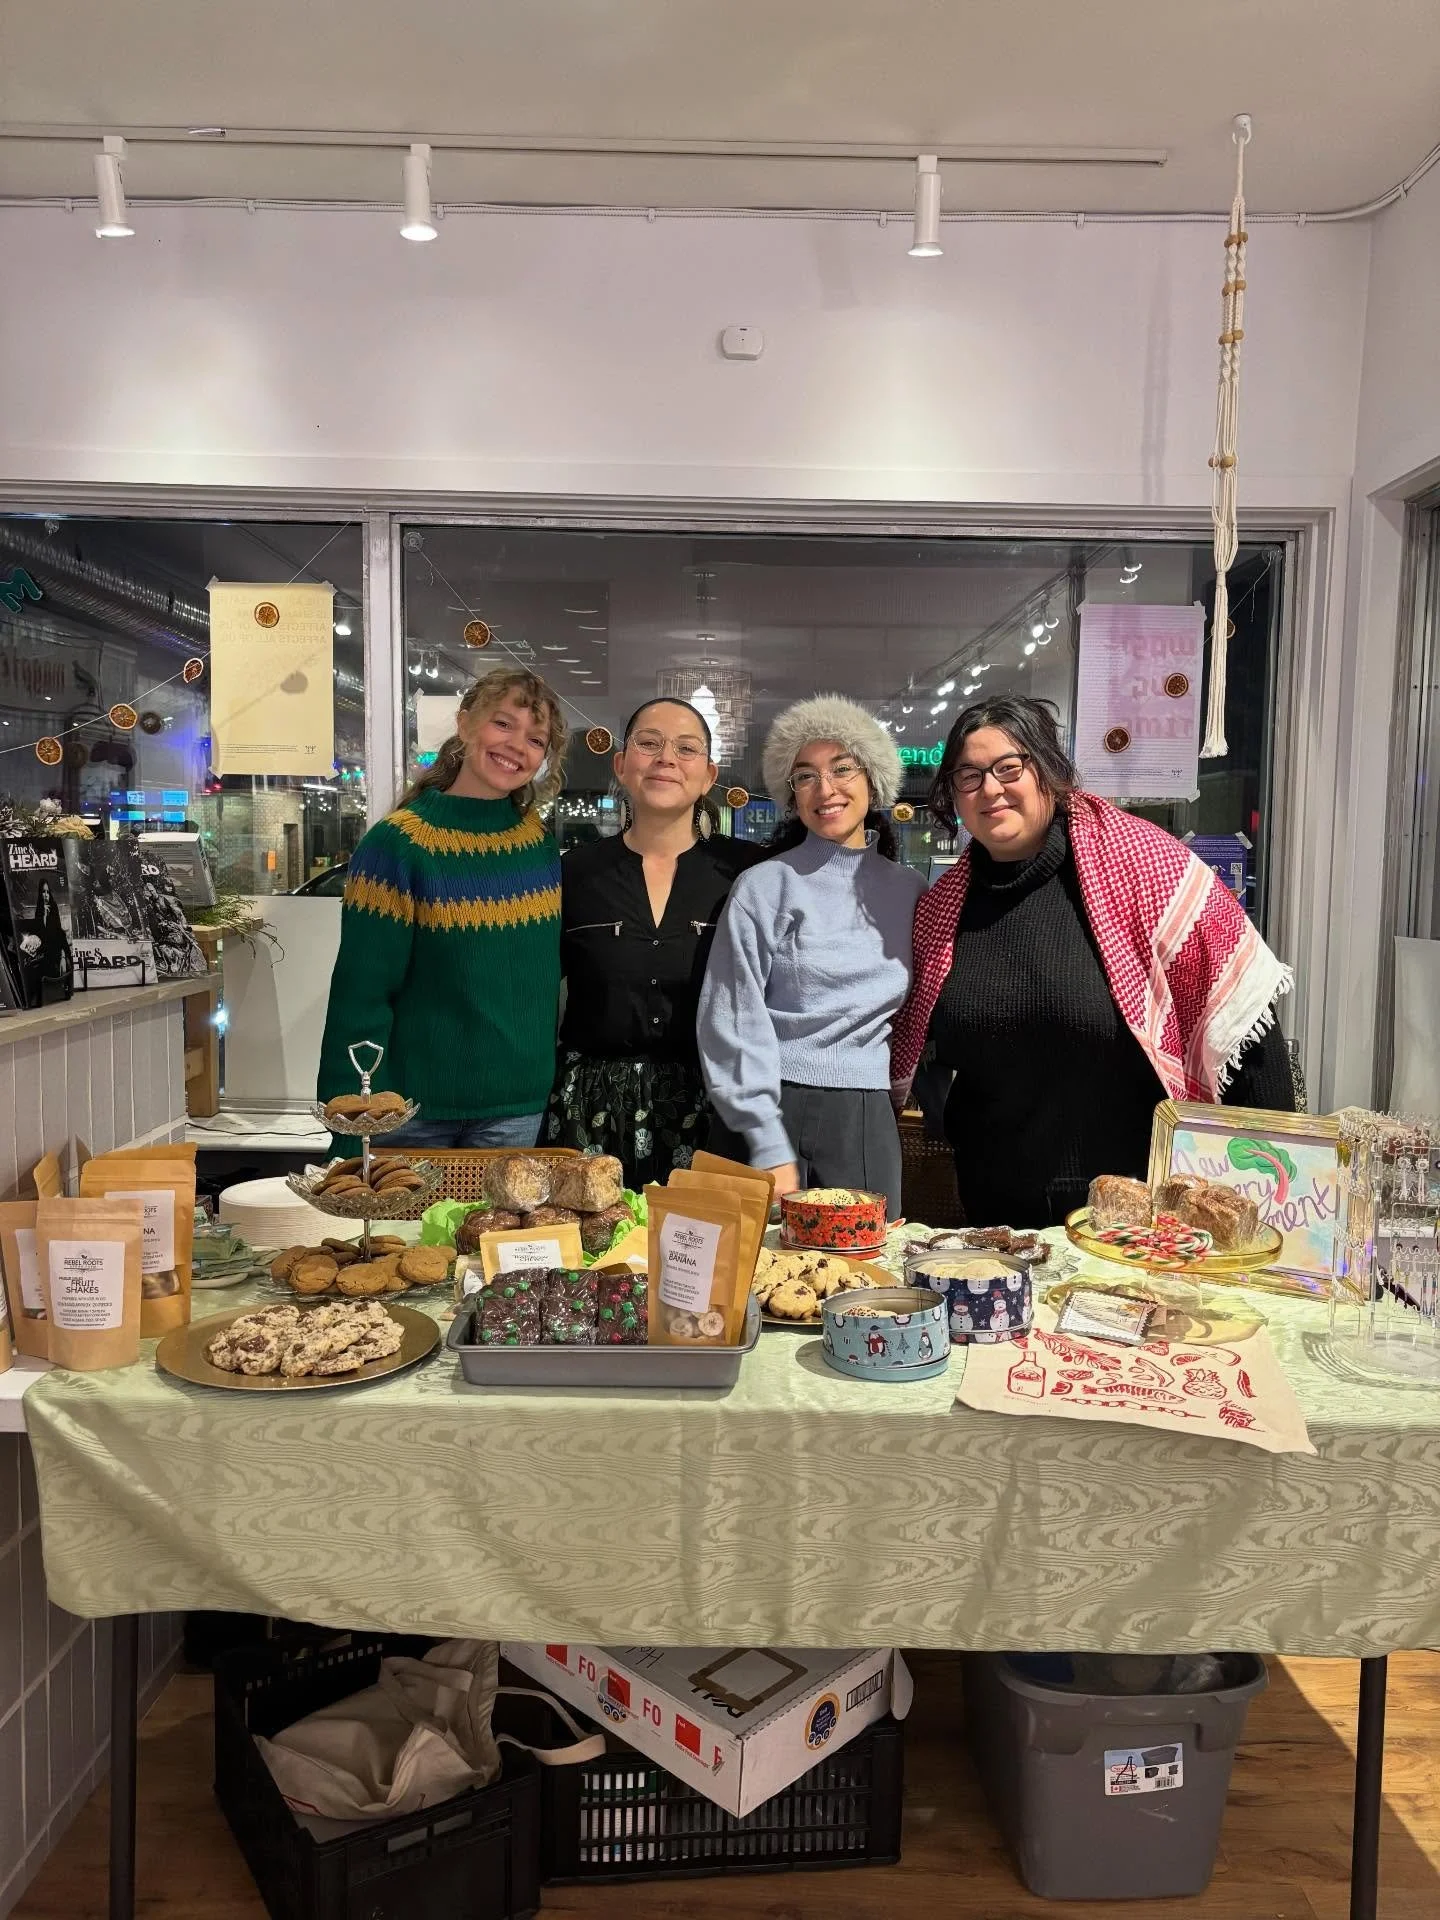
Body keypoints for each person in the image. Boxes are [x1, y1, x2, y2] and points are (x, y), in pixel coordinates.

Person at [890, 695, 1295, 1228]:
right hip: (994, 1218)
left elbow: (1243, 1026)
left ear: (1049, 771)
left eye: (1009, 767)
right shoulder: (942, 910)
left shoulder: (1144, 869)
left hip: (1134, 1219)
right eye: (968, 776)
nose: (990, 789)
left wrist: (1278, 1200)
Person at [317, 667, 567, 1149]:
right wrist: (349, 1126)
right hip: (409, 1112)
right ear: (465, 722)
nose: (517, 745)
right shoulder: (398, 845)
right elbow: (361, 992)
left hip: (515, 1111)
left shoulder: (539, 848)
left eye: (536, 740)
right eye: (503, 724)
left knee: (490, 1230)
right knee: (403, 1230)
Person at [697, 696, 925, 1214]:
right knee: (749, 1282)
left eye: (841, 768)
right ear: (791, 793)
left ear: (873, 778)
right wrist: (767, 1140)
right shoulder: (765, 885)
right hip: (768, 1104)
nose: (825, 789)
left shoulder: (910, 891)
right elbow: (729, 1015)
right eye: (805, 776)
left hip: (865, 1114)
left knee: (866, 1281)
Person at [544, 698, 763, 1187]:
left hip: (713, 1111)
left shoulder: (748, 874)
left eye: (686, 749)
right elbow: (531, 993)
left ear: (708, 776)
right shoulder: (573, 873)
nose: (666, 758)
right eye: (648, 743)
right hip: (587, 1114)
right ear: (621, 765)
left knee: (703, 1258)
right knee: (595, 1257)